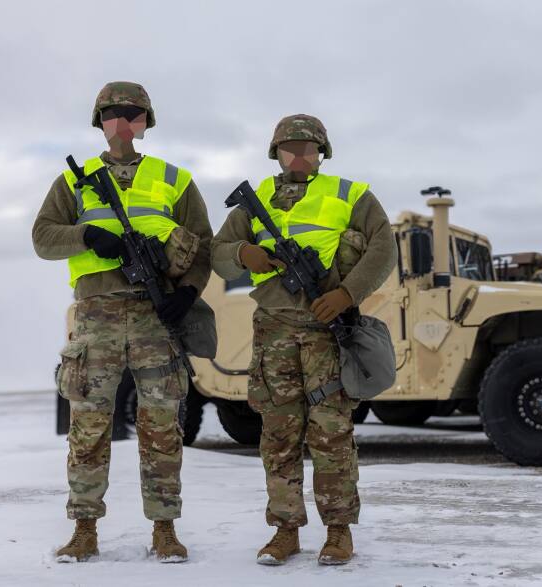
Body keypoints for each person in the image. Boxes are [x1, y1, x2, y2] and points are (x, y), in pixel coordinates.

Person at [32, 81, 212, 563]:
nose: (123, 122)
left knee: (162, 426)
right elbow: (43, 237)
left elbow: (203, 245)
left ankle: (165, 529)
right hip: (98, 314)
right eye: (113, 114)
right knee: (88, 426)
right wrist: (89, 235)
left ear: (145, 123)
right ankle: (84, 529)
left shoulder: (174, 179)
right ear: (101, 122)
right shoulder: (75, 180)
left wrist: (188, 293)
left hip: (157, 315)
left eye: (133, 114)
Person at [211, 114, 397, 565]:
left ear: (322, 153)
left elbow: (383, 246)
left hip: (327, 331)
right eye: (290, 148)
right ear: (276, 153)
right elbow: (217, 255)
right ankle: (285, 531)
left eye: (308, 148)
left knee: (331, 433)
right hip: (273, 330)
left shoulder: (350, 195)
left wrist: (346, 293)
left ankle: (338, 532)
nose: (299, 155)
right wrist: (244, 253)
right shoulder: (253, 204)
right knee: (277, 435)